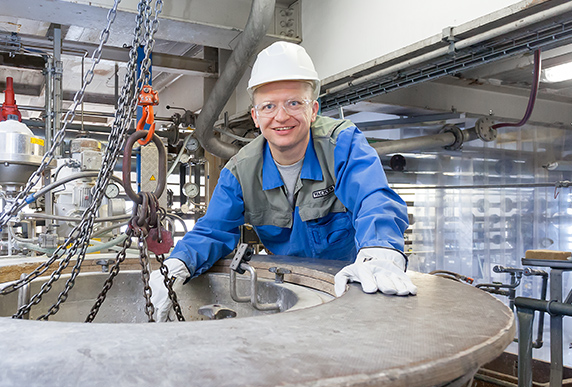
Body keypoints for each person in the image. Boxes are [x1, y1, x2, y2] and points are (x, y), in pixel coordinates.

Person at [149, 41, 416, 321]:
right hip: (289, 293)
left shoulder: (343, 144)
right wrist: (177, 264)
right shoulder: (240, 172)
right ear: (255, 116)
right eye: (268, 106)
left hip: (353, 288)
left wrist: (380, 252)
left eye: (293, 103)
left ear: (313, 110)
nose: (281, 116)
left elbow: (374, 199)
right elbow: (213, 231)